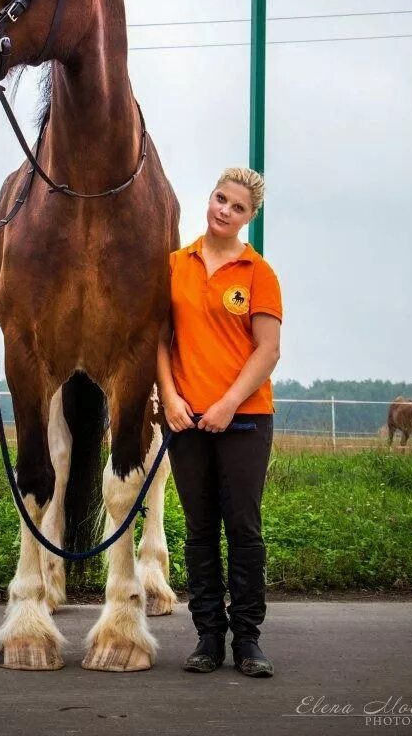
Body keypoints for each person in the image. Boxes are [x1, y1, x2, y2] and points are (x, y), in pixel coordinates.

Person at [157, 166, 282, 677]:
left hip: (245, 420)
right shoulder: (173, 265)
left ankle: (248, 641)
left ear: (250, 218)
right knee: (199, 530)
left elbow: (268, 351)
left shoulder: (258, 273)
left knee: (244, 528)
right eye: (220, 199)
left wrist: (229, 403)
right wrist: (168, 396)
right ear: (209, 197)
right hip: (185, 420)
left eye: (237, 208)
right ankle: (208, 637)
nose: (224, 211)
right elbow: (159, 341)